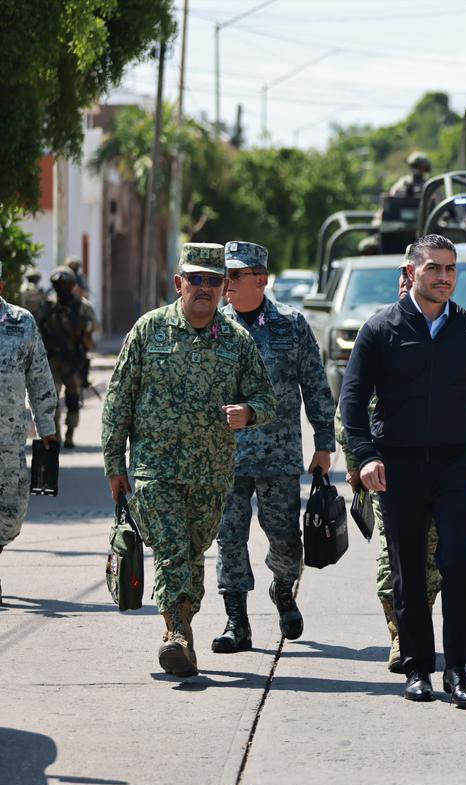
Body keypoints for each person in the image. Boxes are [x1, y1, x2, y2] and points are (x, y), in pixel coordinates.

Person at [340, 233, 466, 708]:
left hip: (455, 465)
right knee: (407, 570)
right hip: (399, 466)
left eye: (451, 269)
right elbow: (352, 399)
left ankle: (457, 669)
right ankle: (417, 667)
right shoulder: (380, 329)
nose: (444, 277)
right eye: (434, 268)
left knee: (458, 563)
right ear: (412, 273)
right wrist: (366, 456)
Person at [102, 243, 277, 678]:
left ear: (223, 288)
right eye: (195, 279)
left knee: (194, 550)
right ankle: (175, 634)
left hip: (211, 473)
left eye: (213, 281)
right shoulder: (149, 330)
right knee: (173, 548)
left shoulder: (236, 341)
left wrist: (249, 413)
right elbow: (119, 397)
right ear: (179, 283)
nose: (204, 288)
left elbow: (265, 399)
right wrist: (114, 463)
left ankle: (184, 626)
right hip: (154, 469)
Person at [211, 241, 335, 654]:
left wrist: (324, 442)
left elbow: (315, 384)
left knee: (283, 538)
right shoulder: (213, 324)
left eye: (235, 275)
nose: (226, 283)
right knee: (229, 537)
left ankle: (284, 589)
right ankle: (236, 620)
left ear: (261, 279)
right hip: (225, 456)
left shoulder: (291, 324)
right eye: (224, 275)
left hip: (278, 454)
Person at [0, 259, 58, 605]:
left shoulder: (21, 323)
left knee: (11, 512)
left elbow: (39, 375)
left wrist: (47, 427)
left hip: (9, 439)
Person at [36, 267, 92, 448]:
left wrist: (83, 354)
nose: (61, 289)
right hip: (51, 360)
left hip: (72, 361)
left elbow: (88, 335)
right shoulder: (48, 306)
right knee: (52, 400)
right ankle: (58, 435)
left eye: (64, 285)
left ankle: (69, 435)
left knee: (73, 400)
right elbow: (37, 330)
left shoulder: (81, 307)